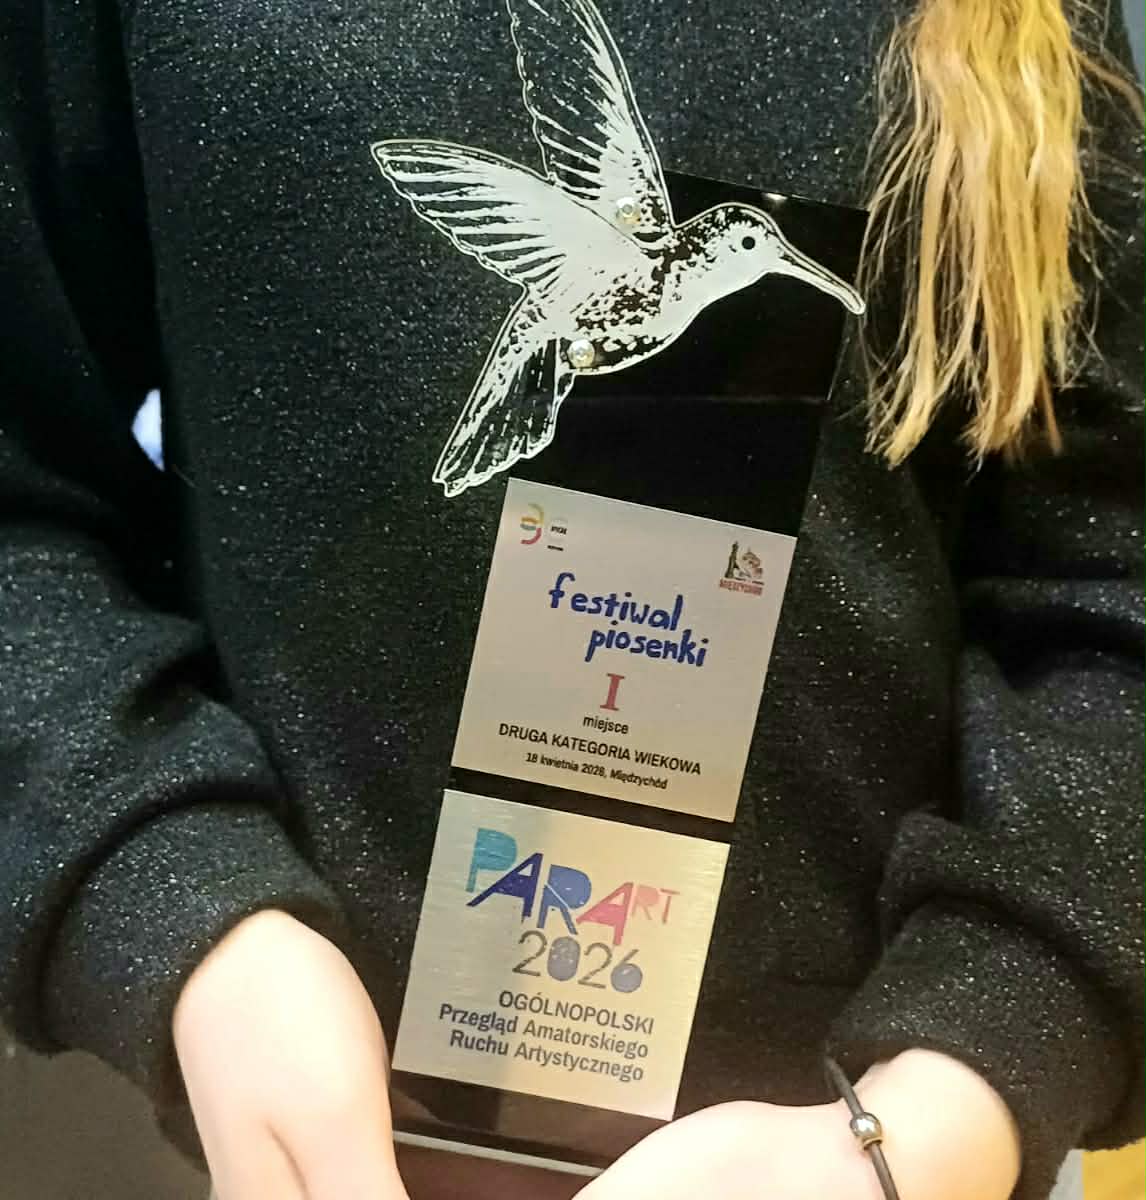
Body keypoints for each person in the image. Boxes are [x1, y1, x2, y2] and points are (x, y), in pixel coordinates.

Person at [1, 2, 1143, 1199]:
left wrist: (953, 1097)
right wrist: (183, 913)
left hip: (870, 1140)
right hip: (279, 1142)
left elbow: (1109, 574)